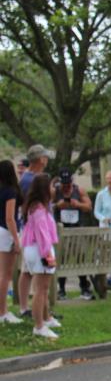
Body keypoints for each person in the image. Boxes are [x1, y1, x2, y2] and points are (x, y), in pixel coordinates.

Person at [20, 174, 60, 339]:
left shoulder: (37, 207)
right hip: (40, 250)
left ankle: (45, 318)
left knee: (43, 288)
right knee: (41, 290)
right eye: (51, 186)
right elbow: (42, 235)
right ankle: (39, 326)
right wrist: (48, 256)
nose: (54, 189)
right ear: (45, 189)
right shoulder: (39, 211)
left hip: (34, 249)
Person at [16, 144, 52, 316]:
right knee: (33, 271)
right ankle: (34, 310)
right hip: (35, 233)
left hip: (36, 231)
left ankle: (36, 308)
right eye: (45, 157)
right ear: (39, 159)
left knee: (28, 270)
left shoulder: (31, 178)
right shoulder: (29, 180)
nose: (47, 160)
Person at [52, 168, 94, 300]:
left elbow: (89, 207)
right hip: (61, 231)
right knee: (61, 259)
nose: (66, 187)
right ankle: (61, 289)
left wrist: (78, 204)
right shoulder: (55, 192)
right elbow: (46, 207)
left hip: (77, 230)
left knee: (80, 258)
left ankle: (84, 287)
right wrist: (57, 205)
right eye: (64, 185)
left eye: (68, 184)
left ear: (72, 181)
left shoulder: (79, 190)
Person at [0, 160, 23, 324]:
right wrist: (16, 239)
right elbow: (10, 218)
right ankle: (3, 312)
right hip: (7, 232)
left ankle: (3, 310)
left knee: (3, 274)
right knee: (6, 275)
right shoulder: (10, 191)